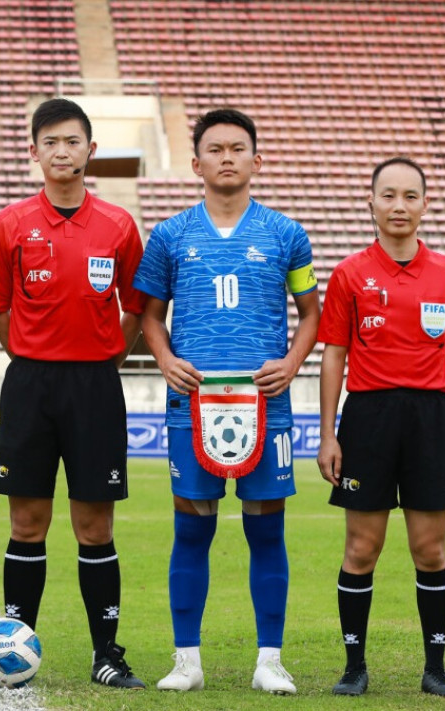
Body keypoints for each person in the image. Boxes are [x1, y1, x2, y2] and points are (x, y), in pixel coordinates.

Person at [134, 108, 320, 695]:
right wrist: (164, 361)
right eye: (215, 149)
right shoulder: (168, 235)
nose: (227, 157)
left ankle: (270, 660)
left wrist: (291, 363)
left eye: (238, 149)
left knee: (267, 532)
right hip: (194, 404)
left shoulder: (288, 234)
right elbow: (148, 316)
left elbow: (311, 313)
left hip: (267, 405)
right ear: (195, 164)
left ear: (256, 160)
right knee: (192, 530)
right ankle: (187, 660)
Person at [0, 98, 148, 689]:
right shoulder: (9, 224)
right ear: (34, 152)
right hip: (30, 383)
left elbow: (140, 306)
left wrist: (109, 357)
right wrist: (31, 351)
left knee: (94, 525)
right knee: (27, 521)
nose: (61, 151)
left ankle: (107, 653)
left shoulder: (119, 225)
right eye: (50, 142)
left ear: (90, 150)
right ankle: (10, 649)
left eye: (72, 141)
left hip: (95, 386)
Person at [317, 157, 445, 698]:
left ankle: (436, 669)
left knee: (430, 550)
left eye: (410, 196)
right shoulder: (349, 273)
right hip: (368, 418)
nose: (399, 206)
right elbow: (334, 356)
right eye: (388, 195)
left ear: (425, 204)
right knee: (362, 549)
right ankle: (353, 667)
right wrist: (328, 431)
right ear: (371, 201)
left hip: (433, 418)